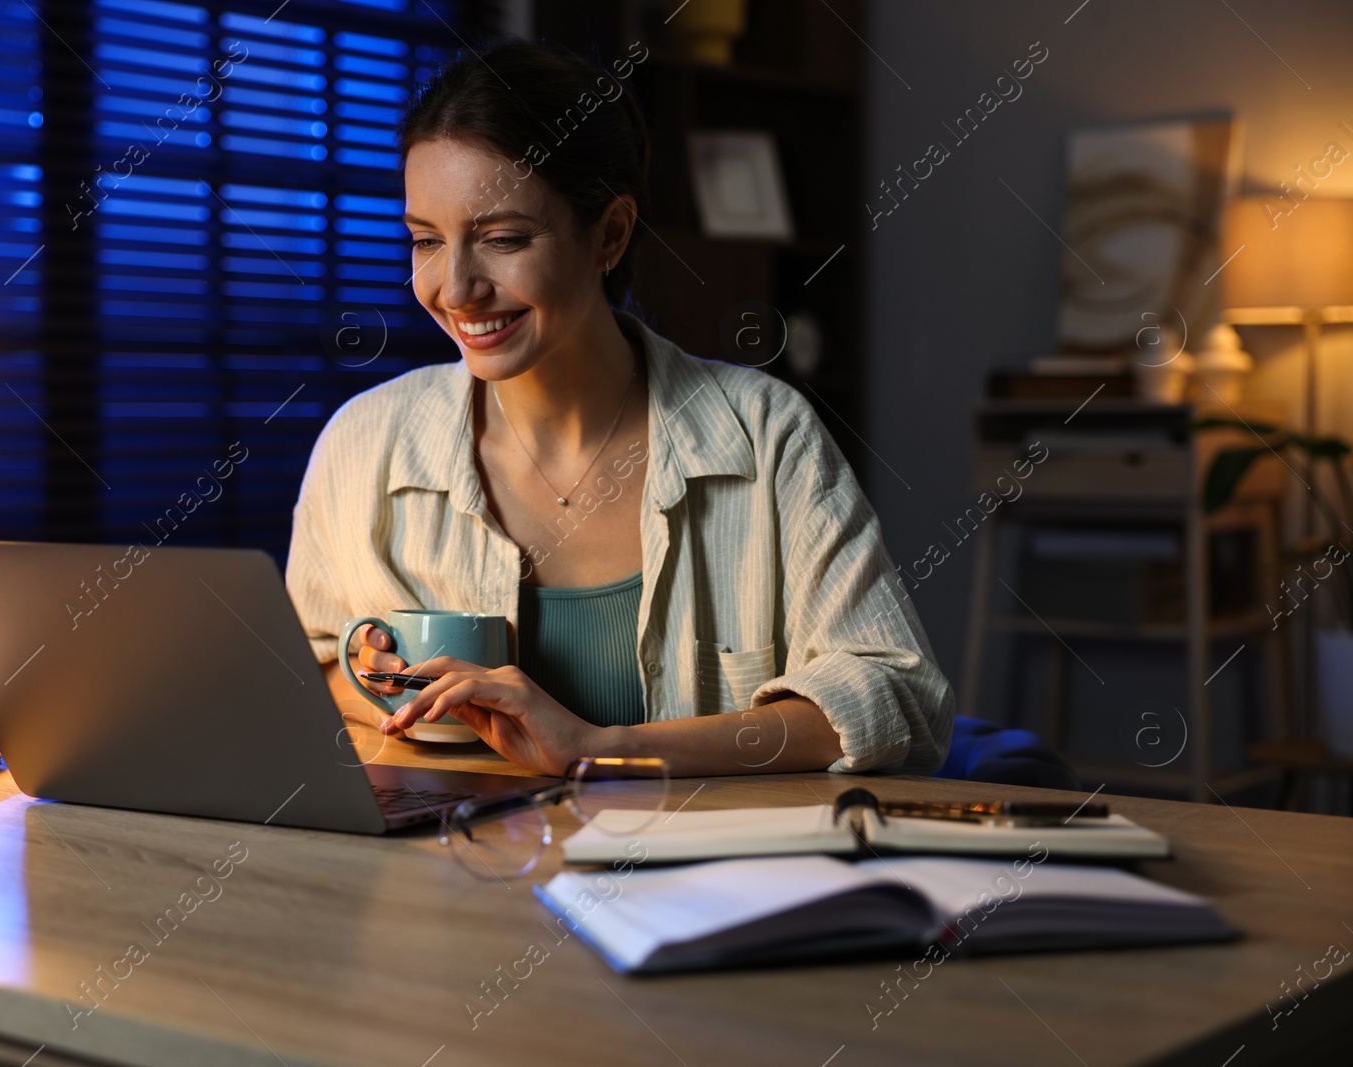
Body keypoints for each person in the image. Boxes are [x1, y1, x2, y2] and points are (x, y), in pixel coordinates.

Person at [286, 40, 953, 778]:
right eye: (425, 242)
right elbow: (299, 668)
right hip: (455, 873)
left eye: (503, 239)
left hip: (697, 884)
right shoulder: (363, 445)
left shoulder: (767, 435)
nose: (455, 287)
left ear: (609, 234)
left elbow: (901, 695)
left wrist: (604, 751)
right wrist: (376, 680)